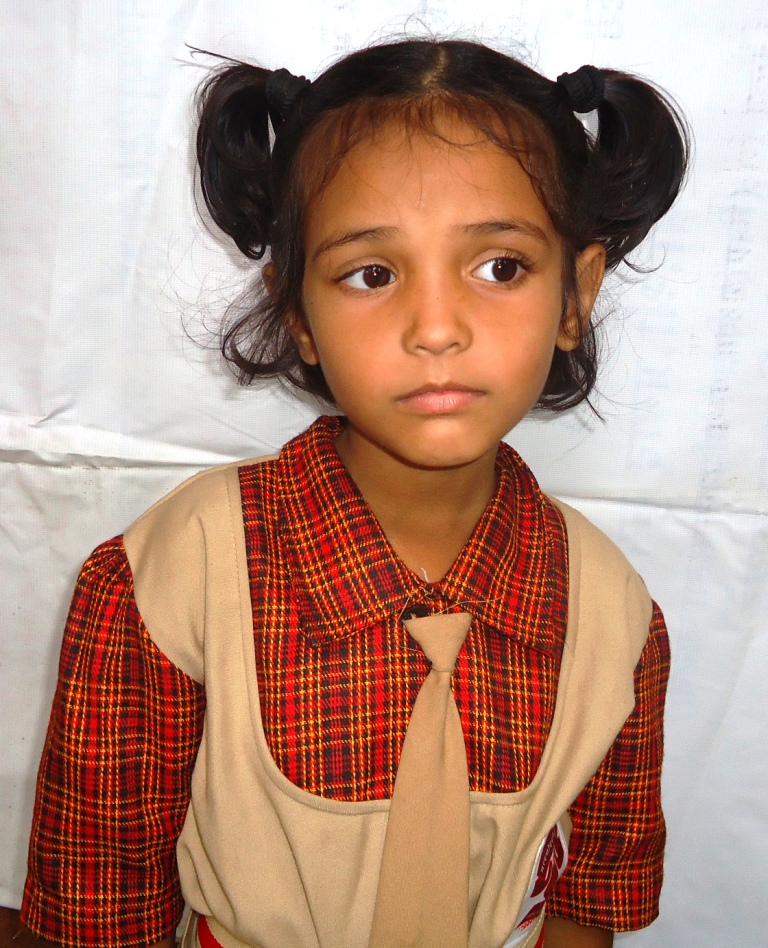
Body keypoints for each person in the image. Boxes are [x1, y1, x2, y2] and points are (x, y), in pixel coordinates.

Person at [19, 37, 688, 948]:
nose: (436, 329)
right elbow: (99, 897)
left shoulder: (615, 618)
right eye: (372, 274)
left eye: (500, 267)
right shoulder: (168, 581)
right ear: (298, 313)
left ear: (575, 295)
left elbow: (595, 898)